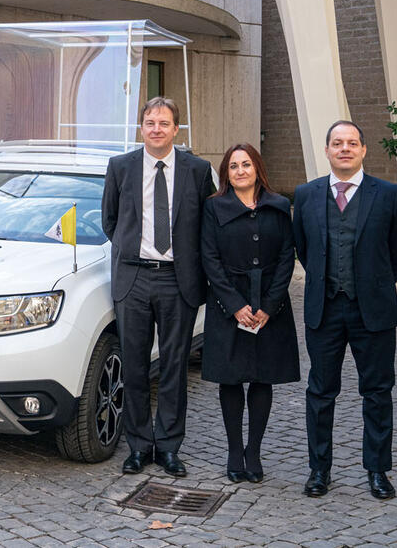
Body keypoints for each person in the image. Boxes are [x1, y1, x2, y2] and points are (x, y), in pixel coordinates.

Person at [293, 120, 397, 500]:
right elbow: (304, 249)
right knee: (320, 392)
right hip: (324, 310)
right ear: (327, 150)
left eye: (352, 143)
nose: (345, 148)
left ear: (363, 150)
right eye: (338, 143)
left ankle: (377, 470)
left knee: (377, 392)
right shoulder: (306, 195)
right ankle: (319, 470)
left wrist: (373, 284)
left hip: (372, 312)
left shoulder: (389, 194)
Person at [102, 96, 214, 476]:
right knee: (134, 368)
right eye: (150, 122)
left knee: (174, 367)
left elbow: (206, 226)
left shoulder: (197, 171)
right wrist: (132, 251)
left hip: (178, 281)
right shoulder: (120, 167)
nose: (156, 129)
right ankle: (138, 446)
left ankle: (168, 447)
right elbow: (110, 221)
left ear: (176, 129)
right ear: (141, 128)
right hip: (133, 279)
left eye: (164, 123)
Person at [200, 143, 299, 483]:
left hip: (270, 306)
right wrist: (234, 305)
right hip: (228, 306)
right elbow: (209, 258)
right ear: (226, 174)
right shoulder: (213, 207)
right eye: (233, 166)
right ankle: (233, 451)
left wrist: (269, 305)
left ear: (257, 168)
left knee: (261, 377)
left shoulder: (279, 205)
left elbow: (287, 257)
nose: (240, 171)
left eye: (246, 164)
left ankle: (253, 451)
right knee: (230, 378)